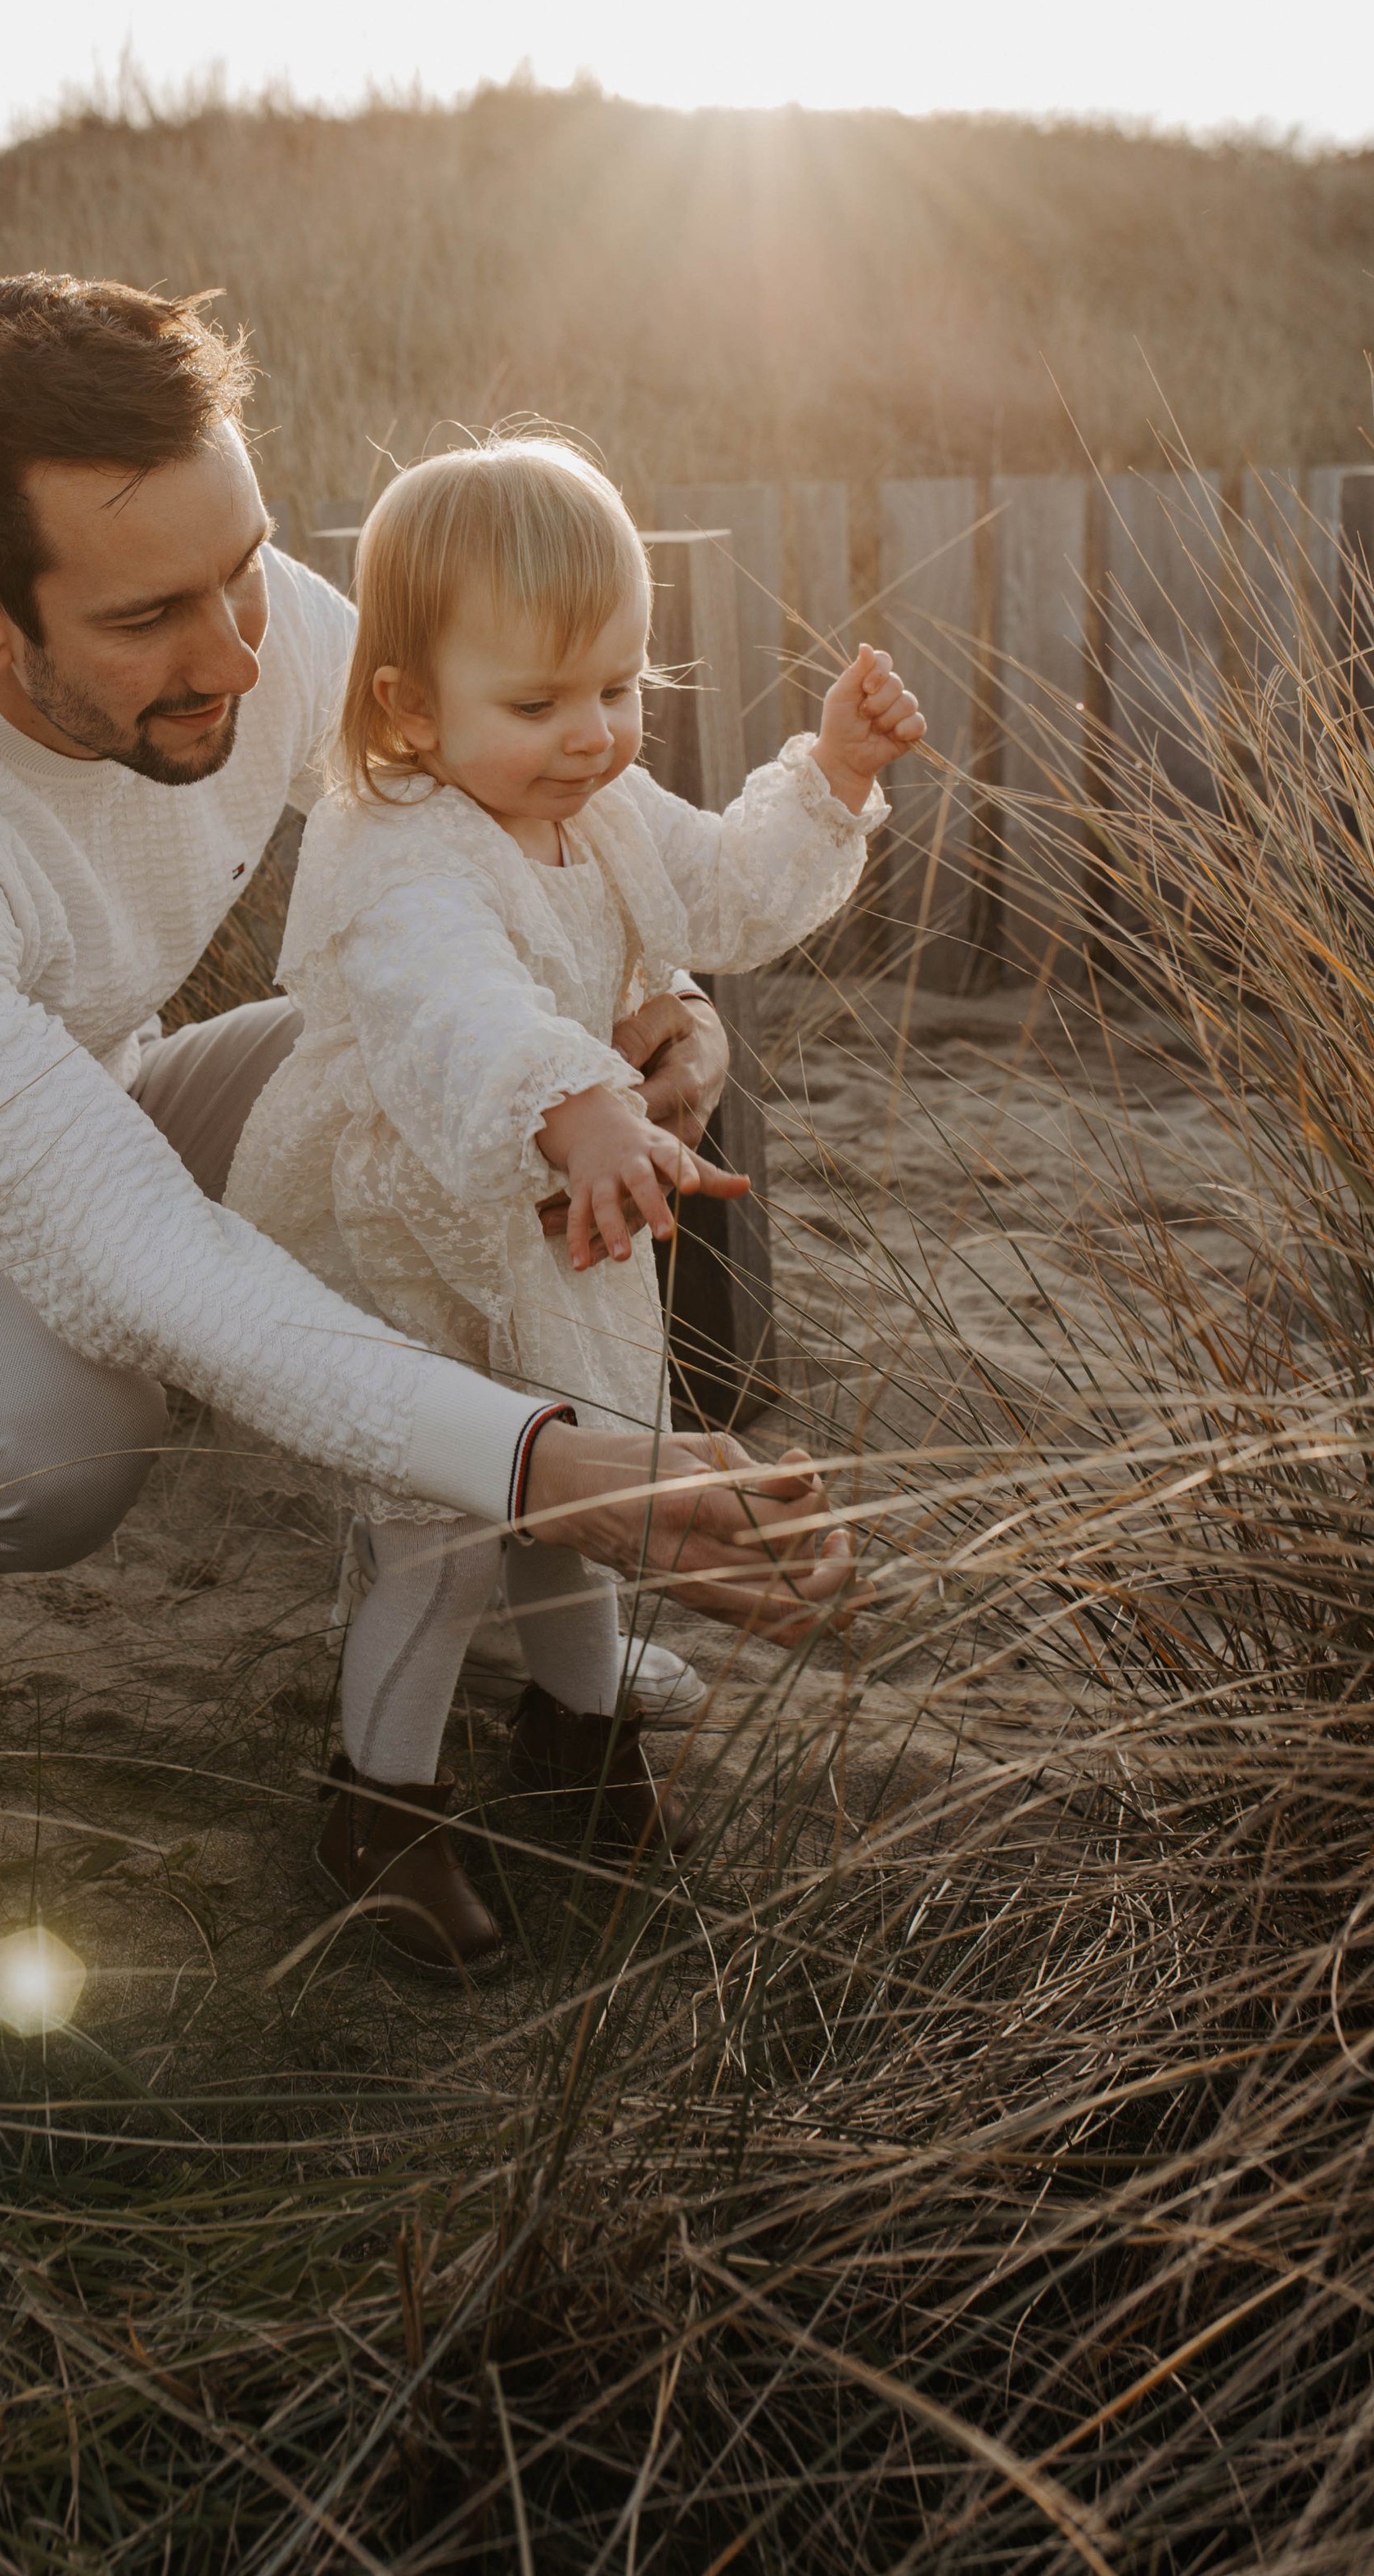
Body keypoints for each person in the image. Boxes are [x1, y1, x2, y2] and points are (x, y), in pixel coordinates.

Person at [0, 272, 863, 1752]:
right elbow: (134, 1256)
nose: (236, 655)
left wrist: (655, 999)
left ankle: (459, 1552)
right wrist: (553, 1464)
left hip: (103, 1101)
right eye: (151, 615)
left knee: (515, 1077)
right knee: (63, 1437)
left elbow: (552, 804)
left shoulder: (250, 625)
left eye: (247, 567)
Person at [224, 439, 923, 1971]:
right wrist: (573, 1092)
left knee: (581, 1469)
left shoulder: (596, 805)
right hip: (412, 1215)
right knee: (450, 1519)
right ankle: (383, 1803)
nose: (590, 736)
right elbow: (450, 1002)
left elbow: (726, 887)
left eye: (617, 687)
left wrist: (832, 780)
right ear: (406, 703)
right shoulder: (393, 836)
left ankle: (578, 1724)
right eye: (537, 703)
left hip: (550, 1213)